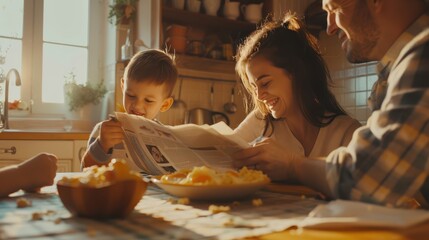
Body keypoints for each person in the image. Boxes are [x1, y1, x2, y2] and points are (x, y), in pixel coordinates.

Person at [234, 0, 429, 208]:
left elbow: (372, 177)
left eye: (335, 8)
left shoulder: (423, 56)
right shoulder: (392, 74)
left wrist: (292, 165)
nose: (330, 28)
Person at [232, 12, 361, 180]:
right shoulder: (260, 121)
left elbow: (359, 187)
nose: (259, 96)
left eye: (265, 83)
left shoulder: (345, 132)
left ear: (297, 73)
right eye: (253, 87)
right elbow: (225, 154)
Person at [81, 49, 178, 168]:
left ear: (165, 105)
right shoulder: (105, 131)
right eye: (131, 96)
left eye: (148, 100)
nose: (137, 105)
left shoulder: (165, 138)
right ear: (123, 87)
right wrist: (102, 145)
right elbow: (86, 170)